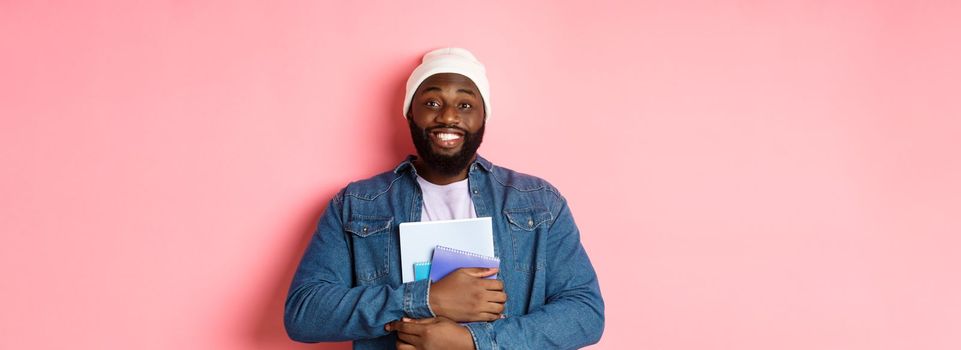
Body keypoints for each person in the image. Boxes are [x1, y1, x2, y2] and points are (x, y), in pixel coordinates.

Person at [284, 48, 604, 350]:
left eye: (465, 105)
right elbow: (304, 313)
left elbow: (585, 313)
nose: (448, 116)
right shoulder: (356, 204)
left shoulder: (539, 202)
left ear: (483, 116)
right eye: (432, 103)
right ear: (411, 112)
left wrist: (472, 341)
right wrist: (425, 299)